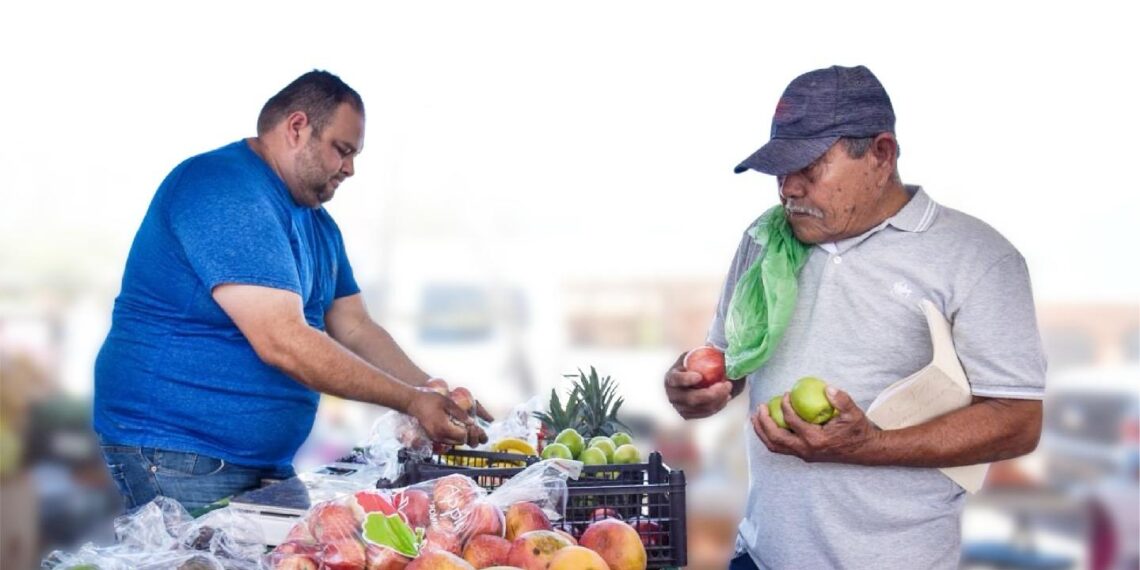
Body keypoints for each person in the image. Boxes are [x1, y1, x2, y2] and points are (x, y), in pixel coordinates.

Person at [663, 65, 1046, 569]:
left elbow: (1019, 422)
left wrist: (872, 445)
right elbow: (731, 360)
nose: (788, 190)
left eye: (810, 168)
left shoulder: (976, 258)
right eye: (781, 171)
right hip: (760, 557)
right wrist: (698, 387)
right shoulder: (763, 241)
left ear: (881, 154)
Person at [94, 70, 489, 512]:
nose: (350, 169)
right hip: (177, 452)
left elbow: (355, 327)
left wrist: (430, 392)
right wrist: (412, 400)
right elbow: (283, 341)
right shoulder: (224, 191)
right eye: (343, 150)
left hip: (260, 460)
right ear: (297, 128)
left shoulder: (317, 224)